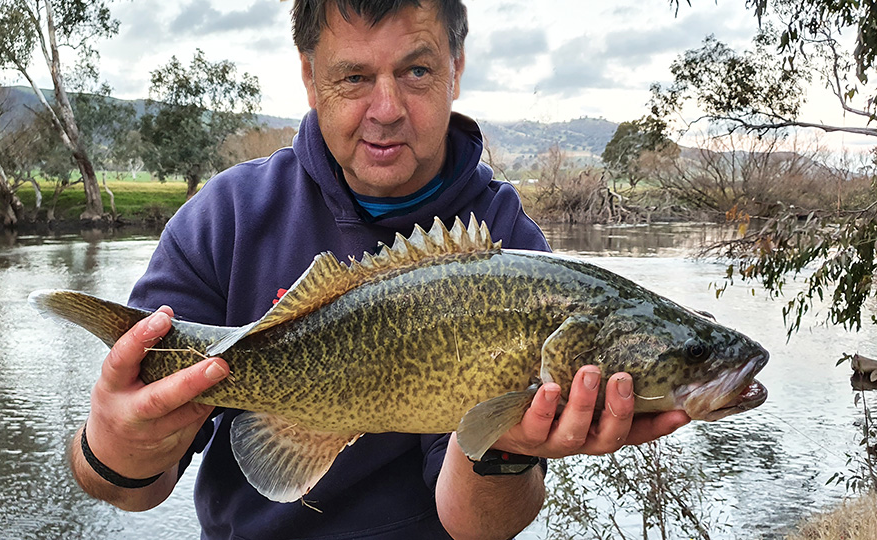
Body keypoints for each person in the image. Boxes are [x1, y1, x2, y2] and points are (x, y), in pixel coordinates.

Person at [68, 1, 691, 538]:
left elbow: (476, 526)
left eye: (416, 70)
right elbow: (132, 489)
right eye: (354, 76)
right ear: (311, 78)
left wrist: (504, 448)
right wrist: (115, 446)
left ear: (457, 66)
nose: (386, 108)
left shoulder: (507, 248)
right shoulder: (225, 218)